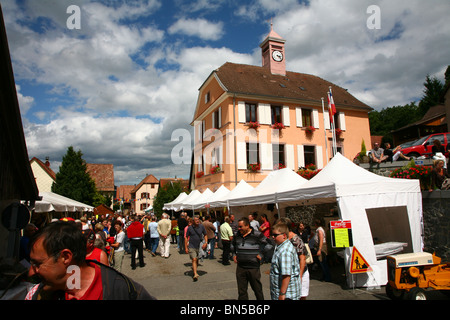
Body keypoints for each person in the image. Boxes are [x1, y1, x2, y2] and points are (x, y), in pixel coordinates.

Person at [26, 221, 156, 300]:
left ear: (65, 257)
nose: (31, 272)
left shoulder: (124, 291)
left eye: (37, 264)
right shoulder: (37, 295)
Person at [232, 217, 267, 300]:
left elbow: (268, 245)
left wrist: (261, 254)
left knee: (257, 289)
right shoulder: (237, 235)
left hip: (253, 267)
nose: (239, 229)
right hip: (241, 267)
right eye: (238, 227)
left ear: (247, 226)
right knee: (242, 290)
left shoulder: (257, 234)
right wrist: (233, 254)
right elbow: (232, 245)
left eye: (241, 227)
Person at [270, 221, 301, 300]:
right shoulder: (280, 246)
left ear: (284, 235)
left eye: (275, 235)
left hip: (287, 295)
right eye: (272, 234)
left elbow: (286, 275)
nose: (273, 237)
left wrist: (282, 294)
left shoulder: (285, 251)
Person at [282, 218, 309, 300]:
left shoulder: (296, 240)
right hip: (288, 273)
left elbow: (302, 258)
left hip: (299, 272)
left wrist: (299, 276)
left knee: (301, 296)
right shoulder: (283, 239)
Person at [185, 215, 207, 282]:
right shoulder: (190, 228)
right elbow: (186, 237)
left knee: (197, 259)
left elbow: (205, 234)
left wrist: (205, 243)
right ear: (193, 221)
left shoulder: (201, 227)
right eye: (196, 220)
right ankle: (195, 274)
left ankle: (195, 269)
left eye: (198, 219)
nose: (197, 221)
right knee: (194, 259)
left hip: (199, 246)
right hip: (191, 246)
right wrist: (186, 247)